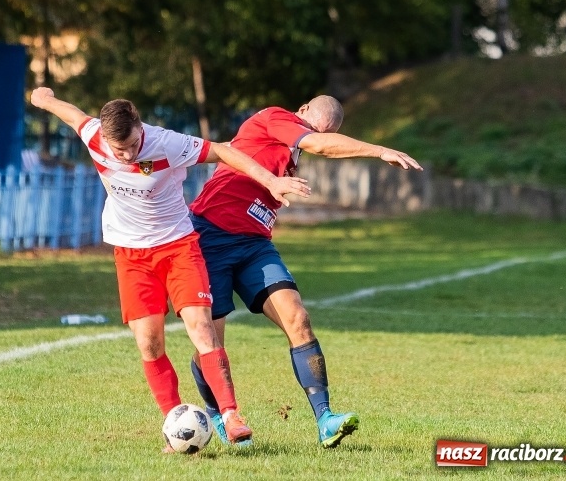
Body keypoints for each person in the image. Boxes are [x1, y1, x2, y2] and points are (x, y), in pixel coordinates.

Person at [29, 87, 311, 452]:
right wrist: (45, 99)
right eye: (120, 150)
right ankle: (174, 423)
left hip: (179, 246)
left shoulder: (166, 143)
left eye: (132, 144)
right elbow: (70, 113)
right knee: (149, 343)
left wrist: (271, 180)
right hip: (131, 255)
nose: (128, 154)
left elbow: (224, 150)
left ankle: (230, 415)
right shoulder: (95, 136)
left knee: (202, 329)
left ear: (140, 127)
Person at [188, 96, 423, 449]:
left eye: (321, 132)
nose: (310, 136)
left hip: (255, 245)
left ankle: (326, 419)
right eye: (310, 127)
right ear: (301, 112)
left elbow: (315, 144)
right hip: (211, 237)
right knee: (210, 340)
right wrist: (378, 150)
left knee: (298, 318)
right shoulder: (274, 118)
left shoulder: (290, 152)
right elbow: (318, 145)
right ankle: (219, 413)